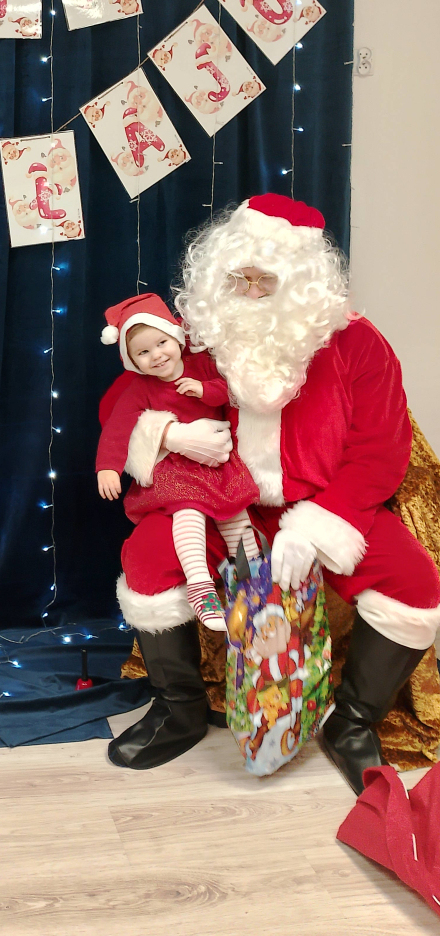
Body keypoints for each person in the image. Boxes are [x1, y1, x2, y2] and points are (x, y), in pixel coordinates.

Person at [107, 195, 440, 795]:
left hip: (323, 503)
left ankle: (352, 722)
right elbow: (124, 408)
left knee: (414, 586)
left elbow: (380, 451)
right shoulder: (197, 339)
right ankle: (180, 709)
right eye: (242, 279)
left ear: (304, 281)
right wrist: (169, 434)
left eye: (270, 279)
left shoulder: (357, 345)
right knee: (148, 561)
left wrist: (317, 526)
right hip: (217, 501)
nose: (254, 292)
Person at [96, 294, 259, 630]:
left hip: (217, 466)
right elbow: (117, 428)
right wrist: (107, 467)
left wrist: (204, 390)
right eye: (143, 352)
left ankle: (255, 580)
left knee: (236, 514)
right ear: (132, 361)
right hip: (177, 471)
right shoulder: (140, 389)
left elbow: (229, 390)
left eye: (161, 343)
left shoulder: (201, 367)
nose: (157, 355)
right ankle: (200, 587)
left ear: (176, 338)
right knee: (188, 513)